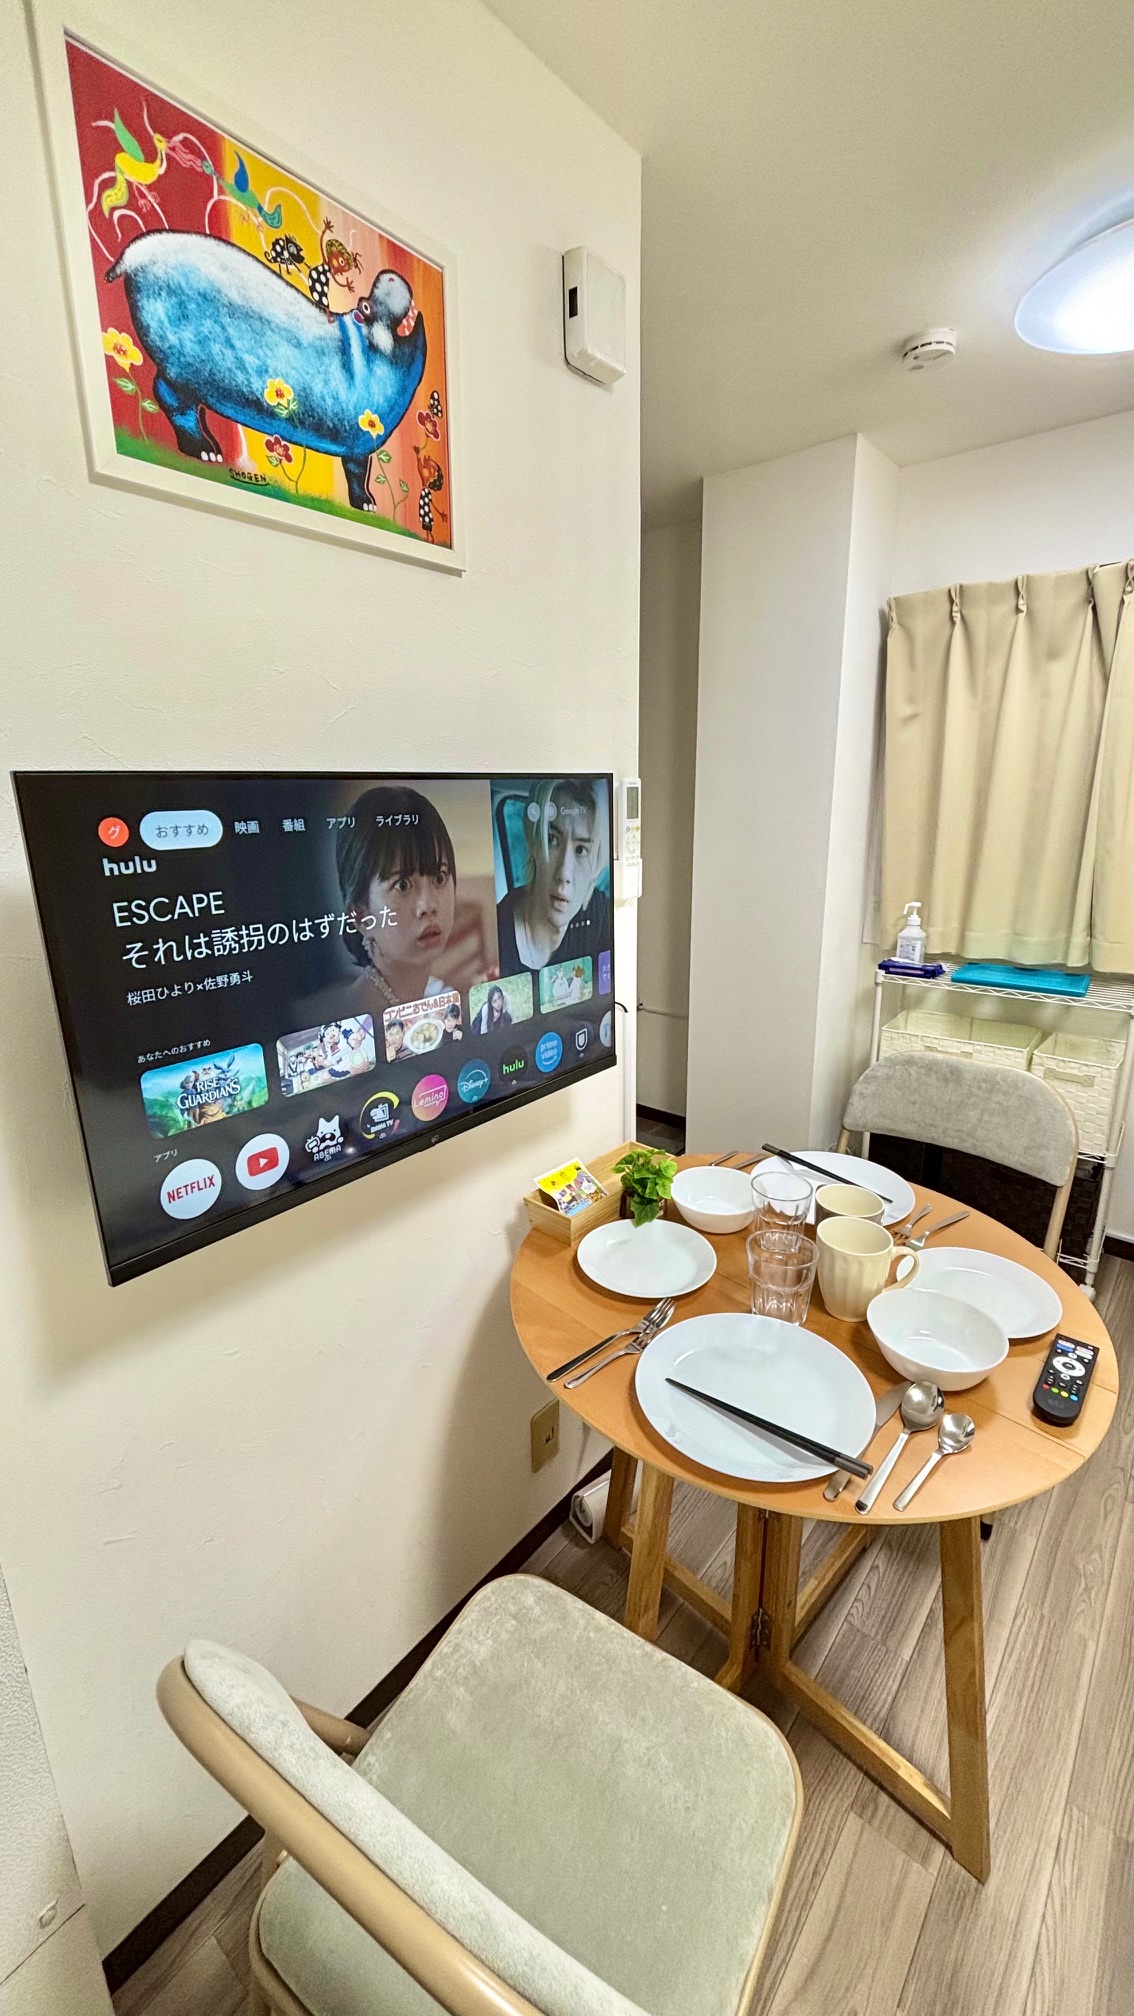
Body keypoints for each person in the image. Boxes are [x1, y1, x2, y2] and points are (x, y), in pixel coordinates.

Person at [338, 785, 458, 1007]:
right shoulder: (354, 1016)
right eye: (402, 885)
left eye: (439, 877)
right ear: (360, 916)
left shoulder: (437, 992)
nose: (428, 905)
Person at [495, 777, 611, 975]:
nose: (564, 873)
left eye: (581, 849)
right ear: (534, 842)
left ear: (597, 867)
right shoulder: (497, 933)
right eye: (552, 839)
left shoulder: (600, 915)